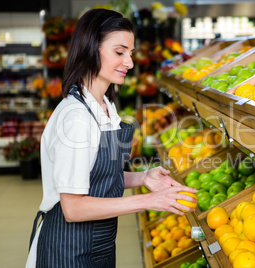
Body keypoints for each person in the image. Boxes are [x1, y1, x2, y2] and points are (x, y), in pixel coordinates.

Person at [26, 8, 197, 267]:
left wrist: (143, 178)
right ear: (90, 49)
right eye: (119, 52)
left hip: (99, 246)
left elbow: (98, 177)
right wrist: (149, 201)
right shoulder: (77, 117)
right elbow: (73, 209)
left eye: (130, 53)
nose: (129, 62)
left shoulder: (104, 106)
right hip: (67, 250)